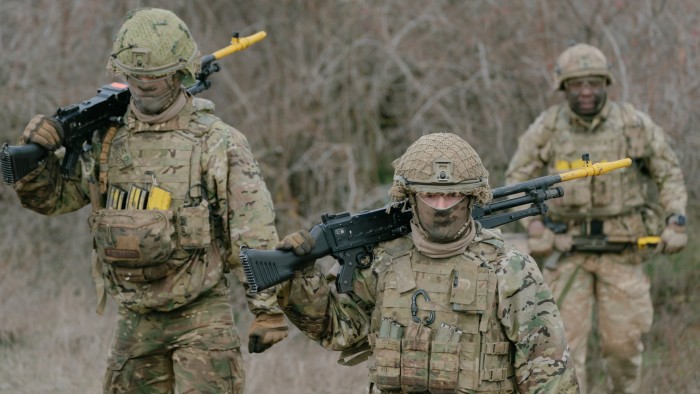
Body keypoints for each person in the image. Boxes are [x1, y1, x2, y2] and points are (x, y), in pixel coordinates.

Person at [12, 8, 288, 393]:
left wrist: (267, 310)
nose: (143, 85)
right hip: (135, 315)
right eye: (135, 76)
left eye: (154, 77)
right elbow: (56, 198)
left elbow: (251, 230)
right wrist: (36, 159)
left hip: (201, 313)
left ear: (179, 74)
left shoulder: (217, 142)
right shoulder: (107, 139)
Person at [275, 133, 579, 393]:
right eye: (431, 194)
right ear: (410, 196)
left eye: (453, 195)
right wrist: (301, 275)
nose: (442, 207)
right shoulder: (382, 261)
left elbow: (549, 373)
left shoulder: (509, 269)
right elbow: (336, 329)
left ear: (472, 196)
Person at [505, 43, 687, 393]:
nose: (586, 91)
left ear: (606, 83)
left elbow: (668, 172)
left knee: (623, 348)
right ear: (564, 88)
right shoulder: (548, 127)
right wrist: (535, 225)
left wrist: (676, 220)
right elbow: (517, 180)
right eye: (577, 84)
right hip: (566, 251)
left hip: (624, 251)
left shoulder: (632, 124)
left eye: (593, 83)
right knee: (562, 352)